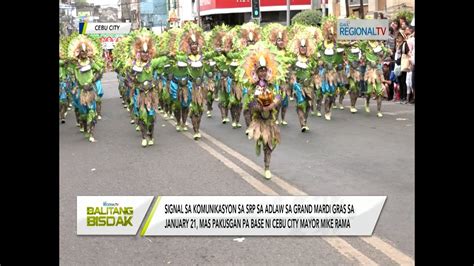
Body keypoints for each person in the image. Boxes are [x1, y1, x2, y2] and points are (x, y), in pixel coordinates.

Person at [240, 42, 285, 179]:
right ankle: (266, 165)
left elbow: (278, 96)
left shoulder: (272, 84)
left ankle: (267, 167)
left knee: (270, 144)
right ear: (256, 72)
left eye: (265, 70)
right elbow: (249, 104)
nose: (263, 73)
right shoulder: (252, 87)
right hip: (258, 120)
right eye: (260, 70)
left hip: (270, 119)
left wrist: (272, 105)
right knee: (264, 142)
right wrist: (260, 107)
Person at [394, 31, 409, 104]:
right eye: (398, 36)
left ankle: (404, 98)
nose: (398, 38)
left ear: (403, 37)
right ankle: (401, 97)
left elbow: (407, 53)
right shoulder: (397, 45)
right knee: (400, 81)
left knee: (403, 81)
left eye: (400, 36)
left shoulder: (404, 44)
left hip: (403, 64)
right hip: (398, 65)